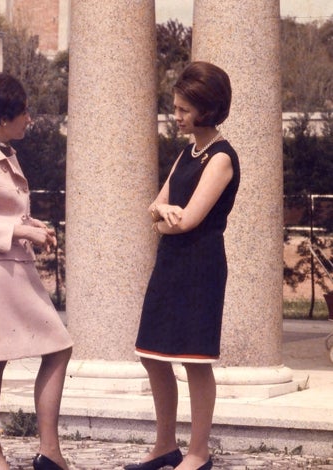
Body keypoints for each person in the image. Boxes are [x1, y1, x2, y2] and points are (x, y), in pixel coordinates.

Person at [0, 72, 73, 470]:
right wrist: (23, 230)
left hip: (14, 268)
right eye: (24, 112)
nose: (29, 119)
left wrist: (33, 226)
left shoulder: (2, 151)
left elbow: (6, 211)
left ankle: (49, 451)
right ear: (3, 117)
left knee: (57, 346)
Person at [128, 62, 239, 470]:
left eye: (181, 110)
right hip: (170, 263)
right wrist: (164, 213)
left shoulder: (222, 158)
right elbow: (154, 207)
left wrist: (165, 216)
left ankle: (198, 452)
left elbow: (188, 220)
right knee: (152, 353)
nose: (175, 117)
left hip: (200, 266)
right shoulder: (186, 153)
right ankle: (164, 445)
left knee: (193, 360)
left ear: (205, 110)